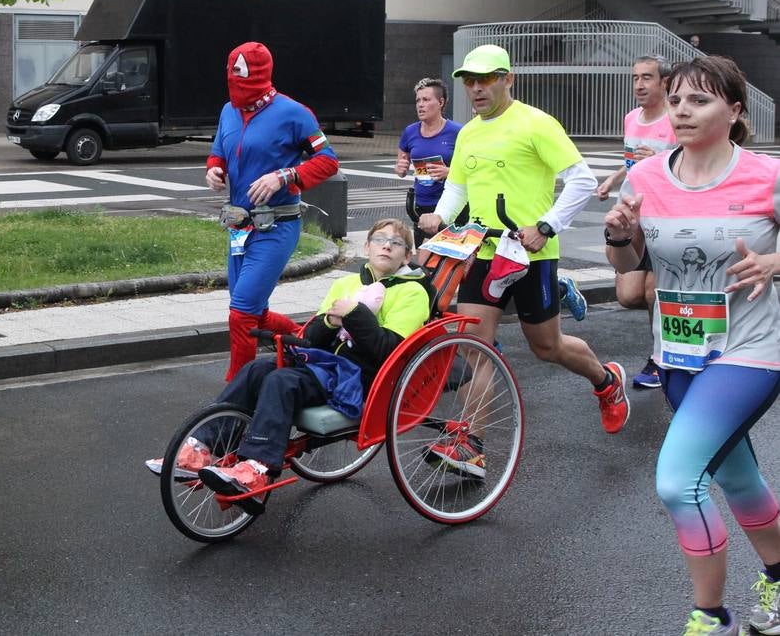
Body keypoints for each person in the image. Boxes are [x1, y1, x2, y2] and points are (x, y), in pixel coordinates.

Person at [604, 55, 780, 636]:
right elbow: (629, 271)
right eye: (675, 99)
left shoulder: (766, 176)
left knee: (679, 482)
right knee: (736, 479)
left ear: (733, 111)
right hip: (679, 354)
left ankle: (712, 617)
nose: (680, 110)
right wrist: (620, 237)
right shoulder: (647, 177)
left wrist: (774, 261)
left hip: (751, 351)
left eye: (698, 100)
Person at [417, 44, 629, 460]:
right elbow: (458, 185)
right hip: (483, 252)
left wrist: (546, 226)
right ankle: (469, 445)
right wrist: (439, 217)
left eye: (487, 79)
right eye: (471, 81)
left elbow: (582, 180)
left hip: (532, 256)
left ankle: (605, 381)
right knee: (476, 344)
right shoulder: (470, 133)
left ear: (508, 79)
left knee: (547, 346)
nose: (477, 89)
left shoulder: (535, 124)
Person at [145, 219, 430, 499]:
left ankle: (258, 467)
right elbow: (312, 340)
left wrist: (354, 314)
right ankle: (202, 449)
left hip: (361, 378)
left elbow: (388, 349)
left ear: (407, 255)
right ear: (367, 246)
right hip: (324, 365)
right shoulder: (345, 283)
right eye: (380, 239)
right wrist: (330, 320)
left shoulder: (412, 292)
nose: (387, 247)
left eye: (396, 243)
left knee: (282, 380)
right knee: (257, 369)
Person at [207, 41, 340, 381]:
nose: (236, 85)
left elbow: (327, 160)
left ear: (260, 75)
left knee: (240, 315)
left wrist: (286, 175)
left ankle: (238, 390)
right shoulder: (228, 111)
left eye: (242, 76)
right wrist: (214, 169)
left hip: (276, 227)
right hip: (239, 227)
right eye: (231, 75)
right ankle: (311, 346)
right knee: (254, 313)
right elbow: (219, 150)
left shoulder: (294, 113)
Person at [594, 54, 676, 390]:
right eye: (635, 77)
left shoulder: (676, 119)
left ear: (664, 83)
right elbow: (631, 162)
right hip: (632, 216)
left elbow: (689, 163)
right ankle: (670, 337)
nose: (639, 85)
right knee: (630, 294)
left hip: (666, 214)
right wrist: (614, 180)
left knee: (652, 291)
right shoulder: (632, 118)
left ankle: (661, 357)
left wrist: (661, 160)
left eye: (647, 78)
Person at [395, 76, 463, 252]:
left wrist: (449, 171)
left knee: (450, 262)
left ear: (441, 102)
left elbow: (471, 169)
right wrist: (400, 168)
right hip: (422, 207)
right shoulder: (410, 132)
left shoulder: (458, 132)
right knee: (425, 260)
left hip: (452, 208)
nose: (420, 105)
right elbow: (401, 165)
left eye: (426, 99)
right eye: (418, 100)